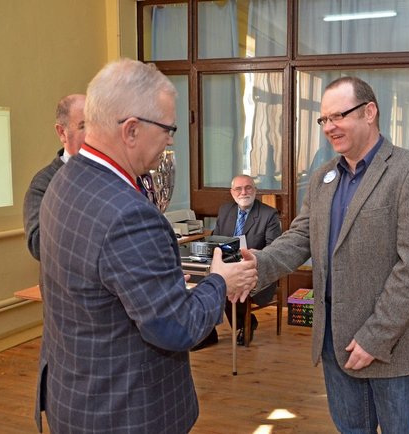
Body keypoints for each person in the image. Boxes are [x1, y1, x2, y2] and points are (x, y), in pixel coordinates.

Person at [35, 58, 258, 434]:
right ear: (132, 130)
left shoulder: (63, 180)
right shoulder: (128, 213)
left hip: (74, 397)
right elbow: (175, 327)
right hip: (125, 413)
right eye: (169, 129)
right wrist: (220, 281)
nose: (171, 140)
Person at [253, 76, 409, 433]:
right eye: (323, 119)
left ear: (369, 112)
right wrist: (257, 264)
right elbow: (301, 237)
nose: (329, 127)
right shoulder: (323, 177)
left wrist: (375, 337)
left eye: (338, 116)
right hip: (334, 339)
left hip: (393, 344)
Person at [209, 174, 282, 346]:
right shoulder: (225, 210)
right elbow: (215, 239)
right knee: (208, 283)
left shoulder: (268, 214)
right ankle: (207, 334)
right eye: (238, 189)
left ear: (255, 190)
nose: (243, 192)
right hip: (228, 264)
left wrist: (254, 254)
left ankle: (245, 323)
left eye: (248, 188)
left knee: (229, 284)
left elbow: (274, 249)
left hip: (255, 270)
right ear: (232, 192)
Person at [23, 94, 86, 260]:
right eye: (83, 126)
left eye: (96, 126)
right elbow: (38, 244)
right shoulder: (43, 182)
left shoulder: (109, 174)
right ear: (62, 132)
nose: (93, 135)